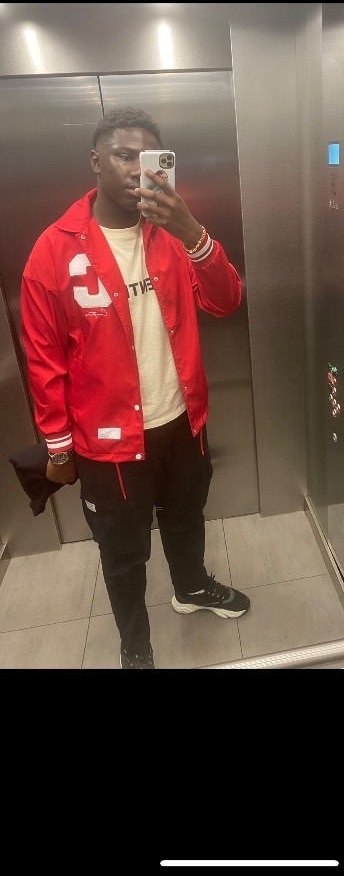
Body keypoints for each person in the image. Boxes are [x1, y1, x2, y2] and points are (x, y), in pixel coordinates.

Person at [20, 105, 250, 669]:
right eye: (123, 156)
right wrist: (57, 448)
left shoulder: (174, 233)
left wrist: (194, 234)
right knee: (123, 551)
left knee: (186, 516)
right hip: (109, 442)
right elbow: (44, 359)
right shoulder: (54, 250)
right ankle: (136, 645)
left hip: (181, 420)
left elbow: (226, 301)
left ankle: (191, 588)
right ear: (95, 161)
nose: (134, 170)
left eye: (147, 159)